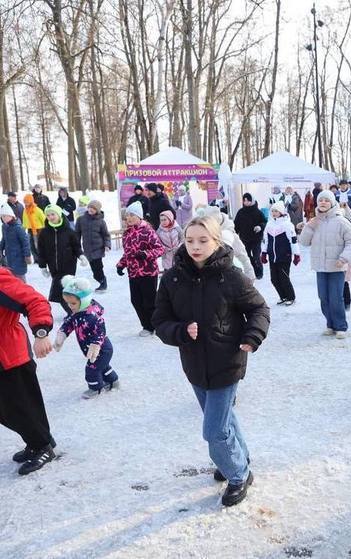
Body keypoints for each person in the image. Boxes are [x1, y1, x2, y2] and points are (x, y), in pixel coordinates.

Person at [152, 216, 270, 508]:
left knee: (214, 431)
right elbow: (160, 320)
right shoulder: (172, 278)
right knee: (223, 419)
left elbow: (259, 308)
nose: (195, 246)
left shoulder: (231, 276)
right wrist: (180, 331)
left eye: (203, 240)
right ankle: (238, 458)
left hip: (227, 362)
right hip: (194, 366)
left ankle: (239, 474)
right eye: (190, 240)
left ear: (217, 241)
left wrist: (252, 336)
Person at [0, 268, 57, 475]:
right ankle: (36, 440)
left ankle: (43, 446)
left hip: (10, 355)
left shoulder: (0, 279)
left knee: (22, 406)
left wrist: (41, 332)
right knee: (7, 410)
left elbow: (35, 301)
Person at [299, 190, 351, 338]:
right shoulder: (315, 221)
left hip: (337, 266)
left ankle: (341, 326)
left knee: (336, 297)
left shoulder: (342, 221)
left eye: (326, 200)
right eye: (320, 200)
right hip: (320, 266)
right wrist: (309, 227)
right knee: (323, 297)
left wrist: (343, 259)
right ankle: (330, 324)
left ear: (332, 203)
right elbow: (304, 242)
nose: (323, 202)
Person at [54, 276, 120, 399]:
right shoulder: (76, 312)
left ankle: (95, 388)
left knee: (92, 369)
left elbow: (100, 331)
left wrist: (95, 346)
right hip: (90, 348)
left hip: (101, 349)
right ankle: (113, 381)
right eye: (68, 303)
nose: (70, 306)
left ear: (83, 300)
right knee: (103, 366)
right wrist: (61, 335)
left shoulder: (92, 316)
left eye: (73, 303)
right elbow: (68, 323)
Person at [116, 201, 165, 336]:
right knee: (136, 300)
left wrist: (145, 254)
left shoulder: (147, 231)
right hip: (133, 273)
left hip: (148, 272)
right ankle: (146, 325)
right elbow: (127, 253)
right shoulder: (127, 234)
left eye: (132, 215)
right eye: (127, 216)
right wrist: (121, 264)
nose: (129, 218)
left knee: (149, 301)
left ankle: (153, 326)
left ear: (139, 216)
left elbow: (160, 249)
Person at [37, 204, 86, 316]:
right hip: (54, 268)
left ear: (59, 214)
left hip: (68, 266)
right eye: (48, 215)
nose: (51, 217)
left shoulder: (69, 231)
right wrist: (43, 266)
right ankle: (76, 310)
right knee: (65, 291)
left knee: (61, 291)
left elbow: (76, 247)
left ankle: (73, 312)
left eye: (53, 214)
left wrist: (81, 256)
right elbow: (41, 251)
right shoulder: (44, 233)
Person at [262, 201, 300, 305]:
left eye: (276, 211)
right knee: (274, 279)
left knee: (284, 278)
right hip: (272, 256)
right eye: (272, 211)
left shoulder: (287, 225)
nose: (274, 213)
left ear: (281, 212)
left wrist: (296, 254)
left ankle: (291, 297)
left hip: (284, 256)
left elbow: (293, 240)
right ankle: (283, 296)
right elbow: (265, 240)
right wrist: (264, 253)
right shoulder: (269, 224)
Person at [204, 206, 255, 282]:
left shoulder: (230, 236)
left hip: (231, 279)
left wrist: (249, 276)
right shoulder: (204, 236)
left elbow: (242, 256)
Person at [75, 200, 111, 292]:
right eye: (90, 207)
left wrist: (107, 245)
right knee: (94, 271)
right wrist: (76, 246)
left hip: (98, 248)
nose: (91, 209)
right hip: (87, 249)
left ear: (97, 210)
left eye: (94, 208)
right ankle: (100, 279)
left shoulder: (101, 221)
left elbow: (106, 235)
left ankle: (103, 282)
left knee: (98, 267)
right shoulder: (81, 220)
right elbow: (77, 234)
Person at [233, 193, 267, 279]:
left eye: (248, 200)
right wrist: (234, 233)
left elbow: (264, 222)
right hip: (244, 238)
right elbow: (236, 224)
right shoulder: (241, 212)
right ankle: (253, 270)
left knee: (256, 255)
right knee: (247, 256)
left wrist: (260, 227)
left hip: (256, 238)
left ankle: (259, 272)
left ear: (252, 201)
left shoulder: (258, 212)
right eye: (244, 200)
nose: (246, 202)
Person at [1, 204, 32, 281]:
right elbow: (4, 240)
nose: (3, 218)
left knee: (20, 278)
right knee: (12, 278)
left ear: (11, 215)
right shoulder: (4, 227)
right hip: (9, 257)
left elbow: (25, 242)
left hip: (19, 257)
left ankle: (25, 292)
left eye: (5, 216)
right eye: (2, 216)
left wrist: (27, 256)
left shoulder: (18, 228)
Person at [22, 194, 45, 264]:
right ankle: (36, 259)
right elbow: (25, 220)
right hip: (30, 230)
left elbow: (44, 219)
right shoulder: (25, 210)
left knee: (38, 245)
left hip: (39, 229)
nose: (26, 203)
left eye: (27, 201)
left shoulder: (37, 210)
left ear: (31, 201)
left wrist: (46, 228)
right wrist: (23, 229)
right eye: (25, 202)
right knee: (31, 245)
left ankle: (42, 259)